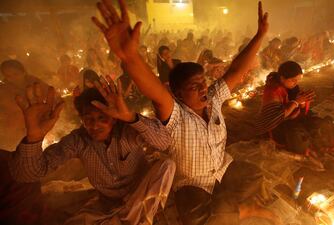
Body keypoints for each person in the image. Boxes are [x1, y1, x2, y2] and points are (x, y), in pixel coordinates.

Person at [92, 1, 275, 224]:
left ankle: (225, 208)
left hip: (221, 169)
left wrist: (260, 35)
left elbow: (236, 70)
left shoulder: (214, 99)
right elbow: (155, 90)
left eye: (203, 82)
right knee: (195, 218)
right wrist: (130, 57)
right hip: (192, 183)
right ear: (178, 93)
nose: (202, 88)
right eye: (193, 86)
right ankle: (241, 210)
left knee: (254, 176)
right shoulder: (176, 115)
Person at [9, 78, 175, 225]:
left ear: (114, 117)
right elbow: (27, 175)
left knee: (167, 165)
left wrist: (131, 117)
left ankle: (125, 217)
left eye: (102, 118)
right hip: (108, 204)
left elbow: (164, 143)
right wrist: (33, 137)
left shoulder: (127, 131)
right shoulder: (78, 141)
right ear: (82, 120)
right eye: (89, 119)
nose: (95, 125)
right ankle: (127, 217)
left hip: (141, 195)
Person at [0, 60, 48, 150]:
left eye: (16, 74)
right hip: (15, 131)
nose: (12, 78)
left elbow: (52, 96)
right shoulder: (3, 90)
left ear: (23, 72)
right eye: (8, 76)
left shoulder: (34, 82)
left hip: (38, 126)